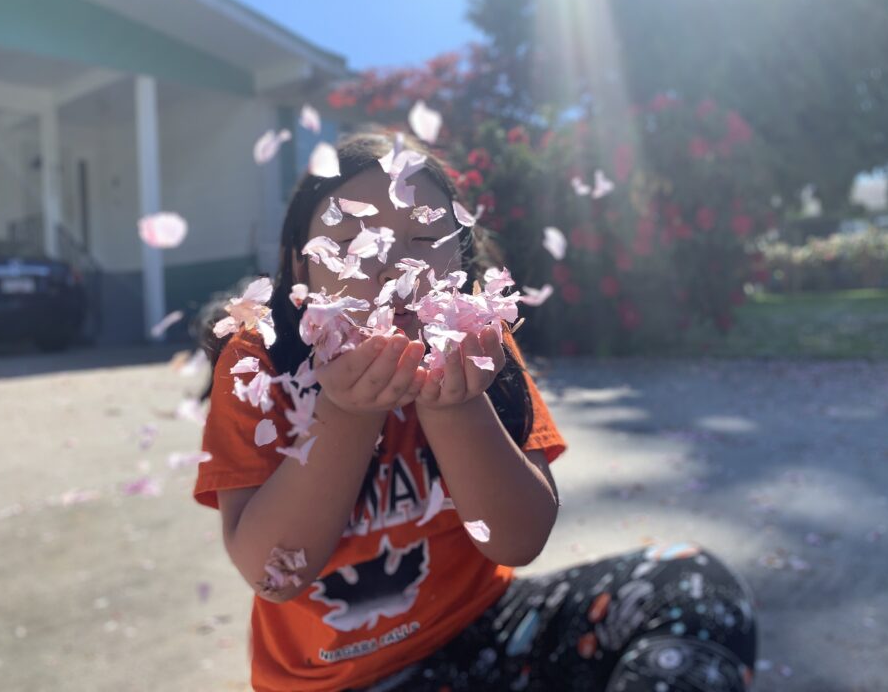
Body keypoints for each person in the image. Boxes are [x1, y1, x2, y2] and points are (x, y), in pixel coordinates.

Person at [193, 131, 758, 691]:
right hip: (339, 680)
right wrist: (345, 413)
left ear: (460, 260)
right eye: (353, 239)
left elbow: (518, 540)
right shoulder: (256, 364)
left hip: (487, 632)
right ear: (299, 269)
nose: (392, 265)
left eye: (423, 236)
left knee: (693, 587)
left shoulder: (483, 347)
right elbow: (273, 574)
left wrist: (456, 405)